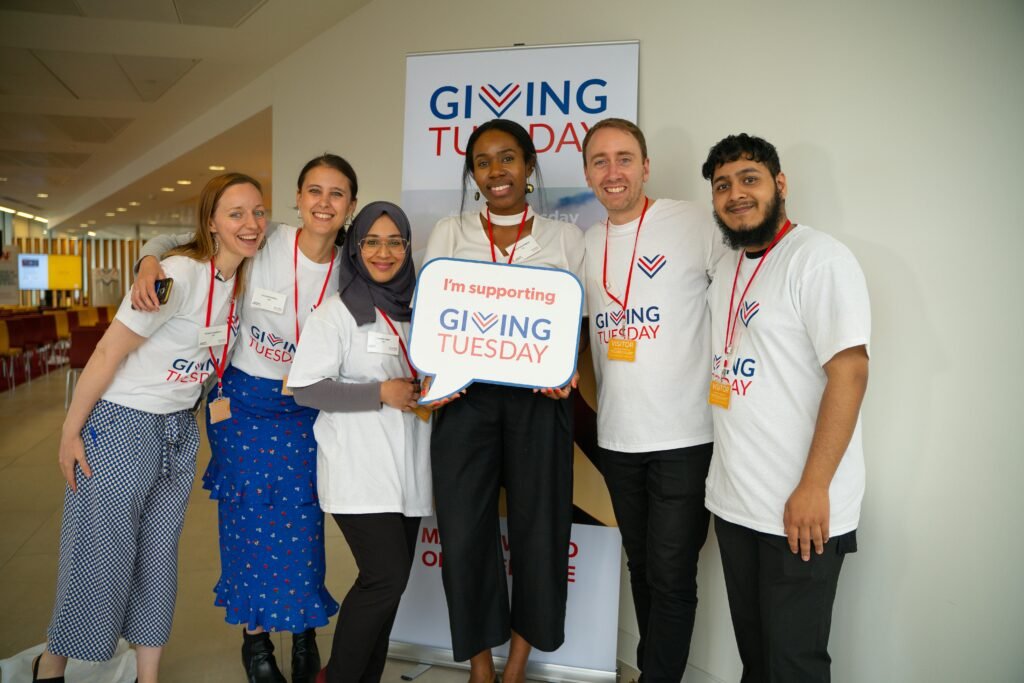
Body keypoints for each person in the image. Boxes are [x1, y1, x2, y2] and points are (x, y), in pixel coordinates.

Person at [132, 155, 358, 683]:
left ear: (350, 205)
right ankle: (255, 642)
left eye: (338, 194)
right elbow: (179, 241)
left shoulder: (352, 264)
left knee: (303, 522)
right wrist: (147, 259)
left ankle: (304, 634)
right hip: (245, 403)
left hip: (306, 405)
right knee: (249, 523)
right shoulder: (267, 239)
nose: (324, 203)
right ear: (298, 199)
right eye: (315, 191)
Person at [33, 173, 265, 683]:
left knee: (159, 555)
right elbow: (106, 352)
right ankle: (51, 667)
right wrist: (71, 432)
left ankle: (148, 676)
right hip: (122, 423)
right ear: (212, 223)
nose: (250, 224)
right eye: (236, 214)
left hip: (179, 430)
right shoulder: (176, 276)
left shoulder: (243, 279)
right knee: (100, 551)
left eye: (257, 212)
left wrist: (149, 252)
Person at [701, 134, 870, 682]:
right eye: (722, 185)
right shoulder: (728, 267)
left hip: (800, 510)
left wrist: (814, 486)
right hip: (737, 505)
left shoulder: (818, 258)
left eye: (749, 179)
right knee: (757, 658)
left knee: (794, 665)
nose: (735, 194)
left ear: (779, 184)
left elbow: (849, 371)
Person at [423, 118, 585, 683]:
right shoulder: (450, 231)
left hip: (540, 404)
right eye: (484, 161)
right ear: (473, 172)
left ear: (529, 165)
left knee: (540, 532)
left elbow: (576, 324)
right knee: (465, 533)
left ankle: (516, 666)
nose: (497, 171)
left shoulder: (565, 238)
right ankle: (480, 667)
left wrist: (566, 373)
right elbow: (434, 318)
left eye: (508, 158)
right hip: (465, 402)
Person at [580, 118, 724, 683]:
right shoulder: (588, 243)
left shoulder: (695, 223)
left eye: (624, 158)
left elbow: (744, 288)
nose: (613, 172)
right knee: (642, 567)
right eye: (600, 160)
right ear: (587, 172)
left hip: (687, 436)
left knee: (671, 573)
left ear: (646, 165)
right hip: (617, 438)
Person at [286, 201, 431, 683]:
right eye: (372, 241)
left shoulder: (421, 310)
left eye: (395, 241)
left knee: (390, 586)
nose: (384, 252)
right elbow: (305, 388)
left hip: (409, 470)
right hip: (359, 471)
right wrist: (380, 393)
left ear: (408, 248)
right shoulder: (337, 313)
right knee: (384, 579)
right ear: (356, 247)